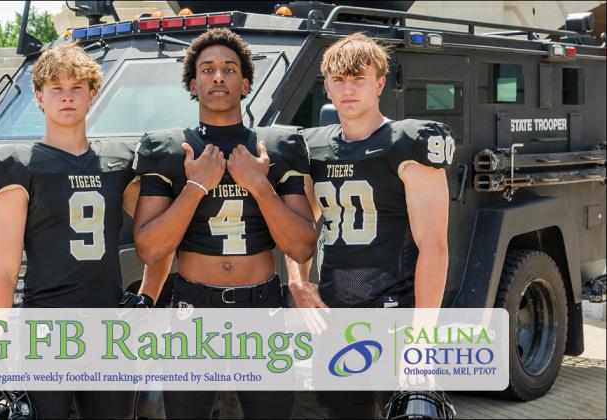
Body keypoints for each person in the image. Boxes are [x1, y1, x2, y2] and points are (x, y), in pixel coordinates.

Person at [131, 28, 318, 419]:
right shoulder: (171, 149)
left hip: (261, 306)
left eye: (230, 69)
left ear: (245, 84)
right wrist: (196, 185)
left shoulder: (275, 147)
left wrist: (259, 185)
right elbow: (149, 248)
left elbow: (301, 247)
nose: (218, 77)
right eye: (208, 69)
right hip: (193, 308)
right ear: (193, 84)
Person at [0, 42, 171, 419]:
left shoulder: (118, 163)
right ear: (39, 97)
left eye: (76, 88)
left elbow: (160, 239)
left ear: (92, 94)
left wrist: (147, 299)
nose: (67, 97)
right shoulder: (21, 167)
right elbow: (4, 266)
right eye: (56, 88)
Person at [286, 32, 454, 418]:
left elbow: (434, 246)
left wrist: (423, 337)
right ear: (326, 87)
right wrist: (297, 280)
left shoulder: (407, 144)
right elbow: (300, 228)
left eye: (358, 79)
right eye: (339, 80)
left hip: (395, 313)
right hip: (335, 313)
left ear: (379, 84)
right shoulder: (315, 147)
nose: (348, 89)